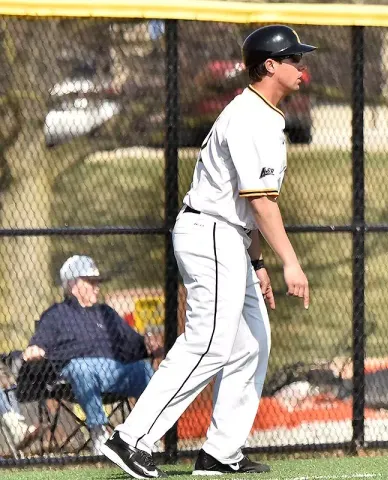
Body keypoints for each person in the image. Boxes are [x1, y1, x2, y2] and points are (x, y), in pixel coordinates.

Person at [100, 24, 314, 479]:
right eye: (294, 59)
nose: (302, 66)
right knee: (210, 342)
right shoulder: (249, 117)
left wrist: (257, 262)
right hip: (211, 233)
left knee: (252, 344)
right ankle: (131, 437)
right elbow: (259, 201)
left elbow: (253, 204)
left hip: (230, 237)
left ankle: (220, 452)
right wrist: (290, 261)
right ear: (270, 65)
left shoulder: (265, 115)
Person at [21, 255, 159, 454]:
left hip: (114, 371)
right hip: (74, 377)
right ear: (73, 285)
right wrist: (36, 348)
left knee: (144, 369)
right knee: (81, 367)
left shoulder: (106, 313)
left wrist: (148, 344)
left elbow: (133, 344)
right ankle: (99, 433)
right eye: (91, 282)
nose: (97, 287)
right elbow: (40, 341)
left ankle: (146, 435)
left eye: (97, 282)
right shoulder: (56, 314)